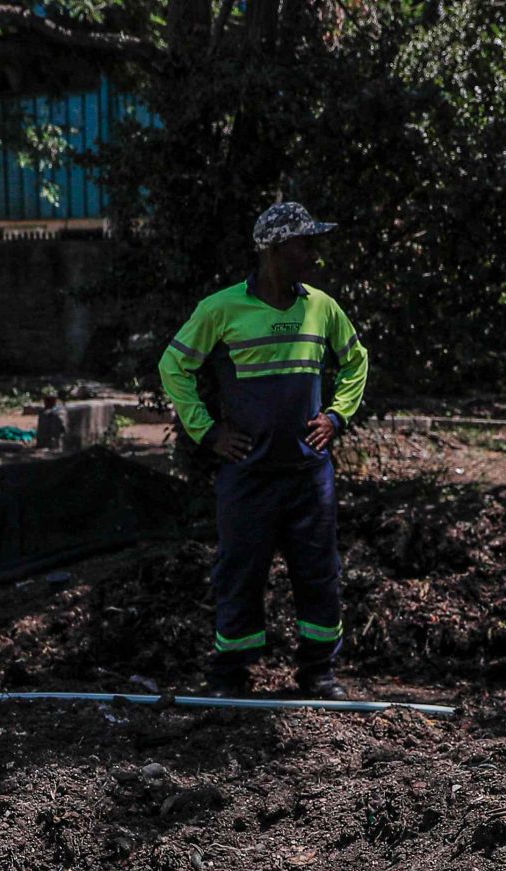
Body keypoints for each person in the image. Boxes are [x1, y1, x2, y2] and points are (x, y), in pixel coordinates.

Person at [158, 201, 371, 699]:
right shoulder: (221, 309)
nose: (313, 255)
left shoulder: (322, 306)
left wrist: (336, 415)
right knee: (240, 570)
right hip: (247, 475)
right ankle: (230, 678)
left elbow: (356, 360)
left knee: (319, 571)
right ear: (275, 250)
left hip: (308, 473)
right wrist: (208, 432)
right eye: (304, 244)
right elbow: (174, 366)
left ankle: (319, 674)